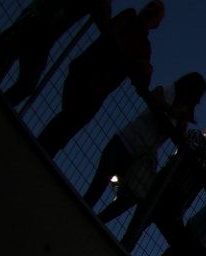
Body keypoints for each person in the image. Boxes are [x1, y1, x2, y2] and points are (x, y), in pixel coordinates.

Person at [35, 1, 162, 157]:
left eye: (155, 12)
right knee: (69, 120)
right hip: (86, 74)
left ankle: (41, 151)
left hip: (97, 89)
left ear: (156, 24)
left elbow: (143, 80)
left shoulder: (144, 47)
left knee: (69, 122)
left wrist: (145, 70)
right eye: (150, 6)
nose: (150, 11)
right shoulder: (129, 18)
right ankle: (40, 150)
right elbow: (114, 30)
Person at [84, 70, 206, 213]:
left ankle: (100, 218)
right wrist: (170, 110)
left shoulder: (182, 114)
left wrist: (183, 122)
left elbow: (182, 137)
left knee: (133, 195)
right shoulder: (169, 91)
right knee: (99, 184)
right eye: (197, 94)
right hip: (126, 142)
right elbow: (155, 94)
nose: (197, 100)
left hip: (140, 156)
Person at [123, 116, 206, 255]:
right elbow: (190, 146)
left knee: (180, 246)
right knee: (136, 222)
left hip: (177, 204)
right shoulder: (196, 135)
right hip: (163, 188)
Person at [0, 0, 111, 107]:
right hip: (36, 21)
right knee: (1, 60)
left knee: (27, 84)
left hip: (44, 34)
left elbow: (104, 17)